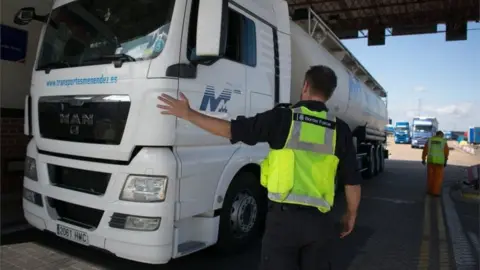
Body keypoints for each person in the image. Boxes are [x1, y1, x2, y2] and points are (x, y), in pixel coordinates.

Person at [157, 65, 362, 270]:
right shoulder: (340, 129)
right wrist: (350, 215)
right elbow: (352, 181)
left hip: (283, 222)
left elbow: (230, 130)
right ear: (330, 93)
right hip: (320, 223)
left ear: (306, 85)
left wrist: (188, 114)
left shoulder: (283, 118)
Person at [422, 130, 449, 196]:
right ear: (440, 135)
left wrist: (423, 159)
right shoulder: (443, 142)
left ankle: (430, 191)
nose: (442, 137)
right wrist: (445, 161)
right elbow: (446, 153)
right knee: (438, 178)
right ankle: (435, 192)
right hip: (439, 163)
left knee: (430, 177)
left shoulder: (430, 140)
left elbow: (425, 150)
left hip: (431, 161)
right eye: (442, 135)